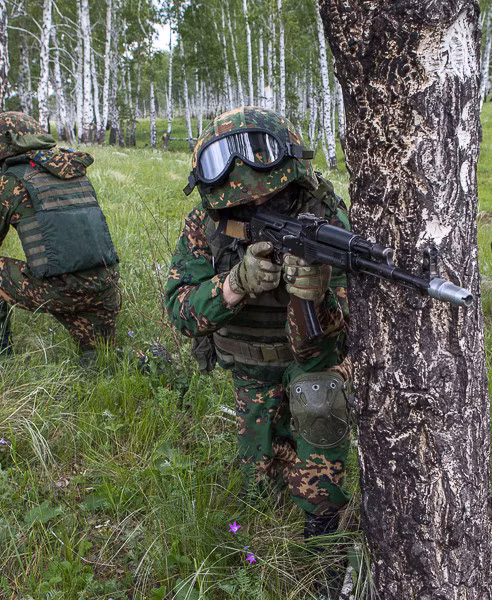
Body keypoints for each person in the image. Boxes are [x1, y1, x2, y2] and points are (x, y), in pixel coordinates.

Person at [164, 107, 352, 549]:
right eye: (245, 204)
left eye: (269, 199)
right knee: (257, 488)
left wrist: (317, 296)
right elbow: (180, 310)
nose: (256, 206)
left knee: (318, 407)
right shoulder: (205, 225)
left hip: (313, 365)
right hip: (249, 368)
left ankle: (323, 543)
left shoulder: (324, 217)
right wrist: (233, 285)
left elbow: (356, 321)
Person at [0, 112, 121, 362]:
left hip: (60, 290)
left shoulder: (9, 183)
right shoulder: (74, 169)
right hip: (104, 287)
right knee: (101, 360)